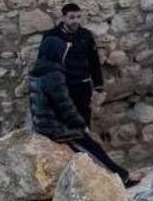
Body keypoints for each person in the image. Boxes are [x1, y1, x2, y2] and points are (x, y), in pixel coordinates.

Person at [29, 35, 143, 187]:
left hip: (43, 125)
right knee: (91, 146)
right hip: (56, 128)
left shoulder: (37, 72)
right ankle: (122, 177)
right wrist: (81, 125)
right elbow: (65, 107)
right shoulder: (53, 75)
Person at [43, 3, 104, 127]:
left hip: (82, 85)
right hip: (62, 87)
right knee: (63, 122)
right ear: (63, 18)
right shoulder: (51, 36)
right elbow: (44, 63)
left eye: (78, 17)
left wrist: (98, 86)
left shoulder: (86, 35)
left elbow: (94, 61)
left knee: (83, 121)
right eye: (71, 17)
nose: (75, 21)